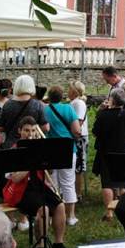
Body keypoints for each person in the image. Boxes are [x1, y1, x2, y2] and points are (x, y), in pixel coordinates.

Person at [4, 117, 70, 248]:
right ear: (20, 131)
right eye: (27, 131)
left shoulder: (40, 147)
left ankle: (58, 243)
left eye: (33, 131)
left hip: (38, 185)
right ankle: (41, 247)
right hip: (21, 190)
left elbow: (48, 171)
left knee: (59, 206)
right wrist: (31, 161)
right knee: (44, 209)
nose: (30, 134)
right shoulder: (14, 150)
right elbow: (14, 178)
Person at [92, 88, 125, 220]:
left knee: (107, 183)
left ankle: (109, 212)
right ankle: (124, 208)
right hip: (124, 150)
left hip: (106, 152)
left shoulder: (104, 115)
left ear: (112, 100)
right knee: (124, 182)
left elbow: (94, 132)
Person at [45, 85, 81, 226]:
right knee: (68, 181)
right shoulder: (68, 109)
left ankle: (54, 214)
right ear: (62, 96)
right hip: (67, 148)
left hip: (49, 148)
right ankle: (71, 216)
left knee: (52, 183)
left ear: (49, 97)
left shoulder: (44, 110)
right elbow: (77, 131)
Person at [0, 75, 49, 149]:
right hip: (30, 145)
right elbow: (46, 128)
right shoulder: (37, 105)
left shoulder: (8, 104)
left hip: (11, 146)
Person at [68, 81, 88, 204]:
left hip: (79, 137)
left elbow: (78, 121)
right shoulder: (74, 102)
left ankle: (78, 194)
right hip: (75, 136)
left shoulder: (78, 103)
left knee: (78, 167)